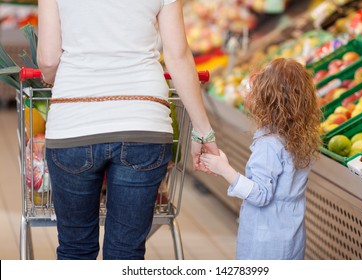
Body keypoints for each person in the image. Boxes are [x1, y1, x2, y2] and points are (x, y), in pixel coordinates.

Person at [37, 0, 218, 260]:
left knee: (75, 249)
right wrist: (204, 131)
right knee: (127, 252)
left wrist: (61, 77)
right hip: (143, 123)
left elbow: (48, 59)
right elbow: (177, 57)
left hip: (73, 124)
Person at [201, 58, 322, 260]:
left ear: (264, 100)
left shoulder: (269, 144)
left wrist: (224, 168)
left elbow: (260, 195)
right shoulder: (300, 138)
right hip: (291, 233)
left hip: (265, 239)